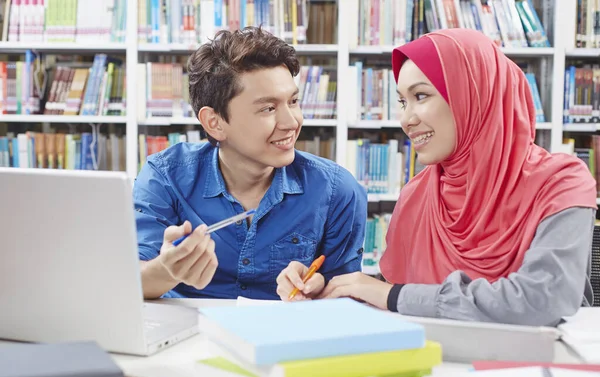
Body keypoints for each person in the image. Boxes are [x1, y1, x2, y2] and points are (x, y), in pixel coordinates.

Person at [318, 28, 597, 327]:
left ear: (473, 95)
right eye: (402, 101)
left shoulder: (561, 182)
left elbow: (543, 299)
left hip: (527, 369)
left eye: (420, 96)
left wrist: (393, 296)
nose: (406, 119)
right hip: (431, 365)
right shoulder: (416, 196)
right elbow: (395, 302)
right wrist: (337, 293)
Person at [134, 27, 367, 300]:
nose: (292, 122)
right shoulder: (164, 176)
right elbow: (130, 281)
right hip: (189, 338)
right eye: (268, 108)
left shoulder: (338, 190)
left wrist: (316, 293)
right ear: (215, 122)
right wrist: (167, 270)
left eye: (293, 101)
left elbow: (346, 299)